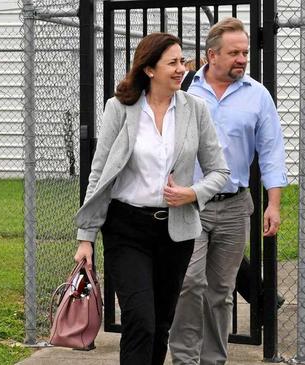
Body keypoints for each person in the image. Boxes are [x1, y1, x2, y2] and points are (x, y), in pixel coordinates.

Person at [73, 32, 230, 365]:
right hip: (126, 229)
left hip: (175, 232)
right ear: (148, 69)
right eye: (172, 63)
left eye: (183, 61)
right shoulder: (119, 109)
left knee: (160, 323)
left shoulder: (195, 110)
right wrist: (86, 238)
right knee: (140, 319)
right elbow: (98, 175)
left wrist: (192, 193)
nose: (181, 69)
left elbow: (220, 172)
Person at [169, 17, 288, 365]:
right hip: (189, 205)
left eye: (245, 52)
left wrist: (274, 204)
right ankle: (184, 360)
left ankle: (212, 360)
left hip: (235, 207)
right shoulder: (184, 90)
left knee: (220, 294)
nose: (242, 58)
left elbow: (271, 152)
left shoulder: (258, 96)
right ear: (212, 55)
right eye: (234, 52)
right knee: (189, 285)